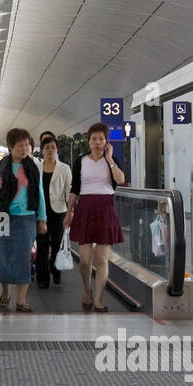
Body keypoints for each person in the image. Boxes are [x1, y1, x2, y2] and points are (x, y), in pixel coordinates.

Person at [0, 128, 47, 312]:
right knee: (4, 256)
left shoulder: (32, 167)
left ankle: (21, 300)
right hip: (3, 217)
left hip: (26, 219)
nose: (25, 148)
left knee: (24, 258)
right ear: (10, 147)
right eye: (20, 145)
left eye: (27, 145)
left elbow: (39, 193)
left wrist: (42, 219)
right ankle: (5, 292)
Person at [64, 122, 125, 312]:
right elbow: (75, 189)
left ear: (106, 141)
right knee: (84, 260)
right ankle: (87, 291)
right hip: (85, 209)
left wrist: (109, 159)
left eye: (101, 139)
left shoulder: (111, 159)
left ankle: (99, 299)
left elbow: (121, 179)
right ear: (88, 141)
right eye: (94, 139)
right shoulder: (81, 161)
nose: (97, 142)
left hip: (105, 209)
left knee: (101, 259)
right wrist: (69, 212)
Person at [35, 134, 72, 288]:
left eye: (53, 147)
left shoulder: (64, 168)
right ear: (42, 151)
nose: (50, 150)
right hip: (41, 213)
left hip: (59, 212)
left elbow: (69, 190)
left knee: (56, 244)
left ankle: (55, 270)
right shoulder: (36, 168)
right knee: (42, 245)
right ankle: (42, 279)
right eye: (47, 148)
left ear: (57, 150)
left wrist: (70, 212)